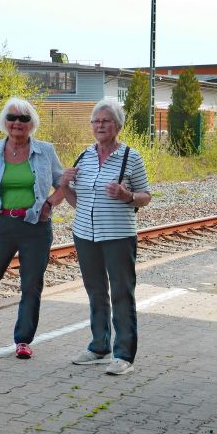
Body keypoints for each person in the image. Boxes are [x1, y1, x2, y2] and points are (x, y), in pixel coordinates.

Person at [59, 99, 151, 375]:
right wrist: (64, 184)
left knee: (122, 293)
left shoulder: (130, 157)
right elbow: (78, 201)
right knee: (95, 291)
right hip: (85, 235)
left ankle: (124, 354)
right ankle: (100, 347)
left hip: (118, 236)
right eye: (96, 121)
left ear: (118, 126)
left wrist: (128, 196)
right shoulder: (84, 156)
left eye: (106, 120)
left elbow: (146, 195)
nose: (100, 125)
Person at [0, 97, 64, 359]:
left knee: (31, 284)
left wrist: (49, 205)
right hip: (2, 225)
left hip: (35, 226)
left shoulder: (45, 150)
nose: (17, 123)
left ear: (31, 123)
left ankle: (23, 340)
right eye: (12, 118)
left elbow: (62, 184)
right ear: (5, 122)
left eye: (24, 119)